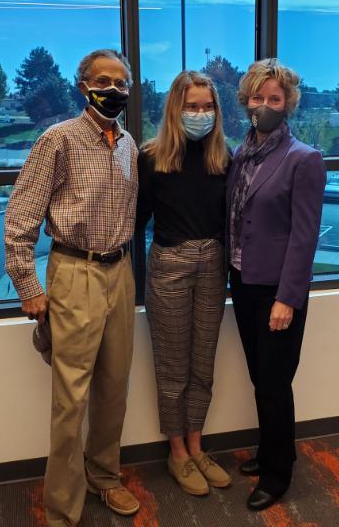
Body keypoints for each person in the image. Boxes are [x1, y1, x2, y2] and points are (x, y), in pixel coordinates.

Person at [4, 49, 140, 527]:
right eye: (103, 81)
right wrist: (28, 285)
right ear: (83, 87)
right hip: (75, 270)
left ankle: (105, 476)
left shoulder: (128, 144)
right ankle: (63, 507)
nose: (113, 90)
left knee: (114, 387)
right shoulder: (57, 140)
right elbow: (20, 218)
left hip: (120, 271)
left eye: (121, 83)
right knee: (71, 399)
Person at [226, 58, 326, 511]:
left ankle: (277, 474)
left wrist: (288, 298)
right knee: (259, 378)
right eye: (257, 97)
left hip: (277, 292)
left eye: (274, 98)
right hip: (244, 281)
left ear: (288, 104)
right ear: (246, 101)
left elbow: (304, 238)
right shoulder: (240, 155)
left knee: (274, 383)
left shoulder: (303, 159)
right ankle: (271, 452)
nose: (264, 105)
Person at [137, 71, 231, 496]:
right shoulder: (151, 157)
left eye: (207, 106)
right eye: (192, 106)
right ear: (176, 109)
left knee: (203, 365)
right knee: (173, 367)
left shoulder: (223, 157)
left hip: (213, 263)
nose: (200, 114)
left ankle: (197, 445)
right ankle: (177, 452)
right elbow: (135, 220)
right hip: (170, 265)